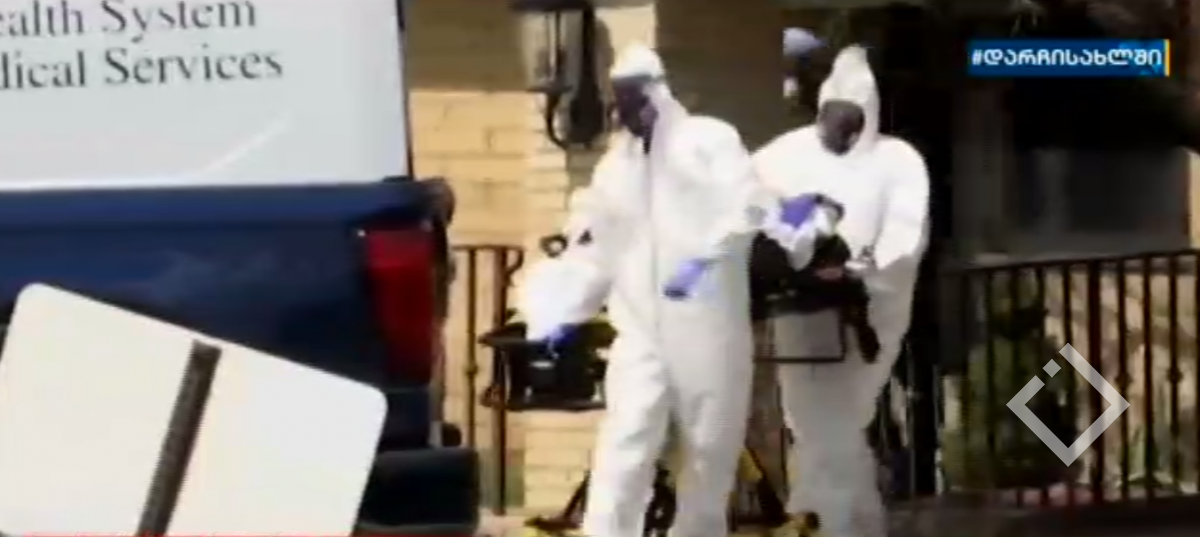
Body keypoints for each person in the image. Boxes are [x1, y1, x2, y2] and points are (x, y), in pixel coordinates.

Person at [516, 42, 773, 537]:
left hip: (706, 329)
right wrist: (557, 310)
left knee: (708, 447)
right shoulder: (616, 168)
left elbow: (748, 207)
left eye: (634, 98)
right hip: (640, 331)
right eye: (619, 100)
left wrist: (703, 261)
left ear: (657, 94)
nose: (625, 111)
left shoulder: (709, 141)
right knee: (624, 442)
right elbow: (593, 246)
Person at [753, 44, 931, 537]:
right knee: (815, 421)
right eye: (833, 115)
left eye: (852, 118)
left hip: (865, 314)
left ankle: (830, 519)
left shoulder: (898, 161)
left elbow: (905, 237)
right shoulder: (785, 154)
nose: (841, 128)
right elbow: (745, 197)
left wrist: (863, 272)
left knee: (839, 419)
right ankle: (844, 521)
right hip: (798, 308)